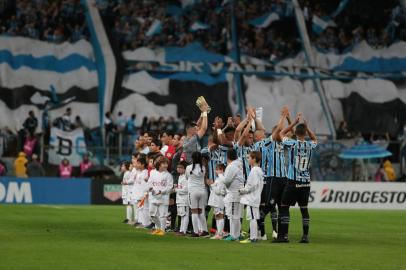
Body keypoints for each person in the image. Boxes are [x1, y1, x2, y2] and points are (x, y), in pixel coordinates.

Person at [275, 114, 317, 244]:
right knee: (304, 209)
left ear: (296, 133)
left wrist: (293, 122)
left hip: (293, 181)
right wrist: (308, 127)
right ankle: (305, 236)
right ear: (305, 133)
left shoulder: (292, 144)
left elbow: (281, 133)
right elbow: (314, 138)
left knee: (284, 206)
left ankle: (285, 235)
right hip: (305, 182)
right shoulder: (310, 145)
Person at [239, 151, 264, 244]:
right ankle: (254, 236)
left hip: (252, 198)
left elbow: (251, 186)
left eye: (249, 158)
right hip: (255, 197)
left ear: (254, 159)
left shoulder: (254, 171)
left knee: (252, 217)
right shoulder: (259, 170)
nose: (248, 159)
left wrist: (242, 190)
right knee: (254, 217)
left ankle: (253, 238)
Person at [223, 149, 245, 241]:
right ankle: (237, 234)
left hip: (233, 193)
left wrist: (225, 185)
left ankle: (233, 235)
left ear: (227, 156)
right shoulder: (239, 164)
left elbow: (227, 180)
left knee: (233, 215)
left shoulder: (231, 166)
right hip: (238, 193)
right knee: (237, 215)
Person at [148, 157, 173, 236]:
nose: (166, 165)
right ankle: (158, 228)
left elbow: (169, 187)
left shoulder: (168, 175)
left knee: (162, 215)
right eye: (163, 163)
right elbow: (149, 183)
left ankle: (162, 230)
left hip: (164, 198)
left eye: (166, 163)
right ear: (159, 164)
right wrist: (150, 189)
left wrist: (161, 191)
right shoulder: (152, 172)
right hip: (153, 197)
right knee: (152, 214)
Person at [186, 151, 209, 237]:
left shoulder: (188, 168)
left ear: (192, 158)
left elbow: (187, 177)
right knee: (201, 212)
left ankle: (195, 232)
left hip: (193, 191)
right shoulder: (203, 168)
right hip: (202, 191)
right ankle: (205, 231)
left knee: (194, 212)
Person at [208, 163, 226, 240]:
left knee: (219, 215)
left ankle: (220, 233)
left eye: (218, 169)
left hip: (219, 200)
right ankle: (219, 232)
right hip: (216, 200)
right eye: (216, 169)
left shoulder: (221, 178)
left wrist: (212, 185)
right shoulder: (219, 178)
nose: (216, 171)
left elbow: (219, 191)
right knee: (217, 216)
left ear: (222, 170)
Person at [131, 154, 149, 227]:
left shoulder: (145, 172)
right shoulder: (138, 172)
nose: (136, 165)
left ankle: (144, 222)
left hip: (142, 193)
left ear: (143, 164)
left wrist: (144, 193)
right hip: (137, 192)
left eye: (138, 163)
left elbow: (145, 184)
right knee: (139, 207)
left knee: (143, 208)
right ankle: (140, 221)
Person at [174, 161, 189, 236]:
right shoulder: (180, 176)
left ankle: (184, 231)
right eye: (178, 167)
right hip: (179, 199)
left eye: (181, 167)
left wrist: (176, 189)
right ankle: (181, 229)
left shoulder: (186, 177)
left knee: (185, 214)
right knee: (181, 214)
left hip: (184, 199)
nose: (178, 169)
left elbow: (186, 190)